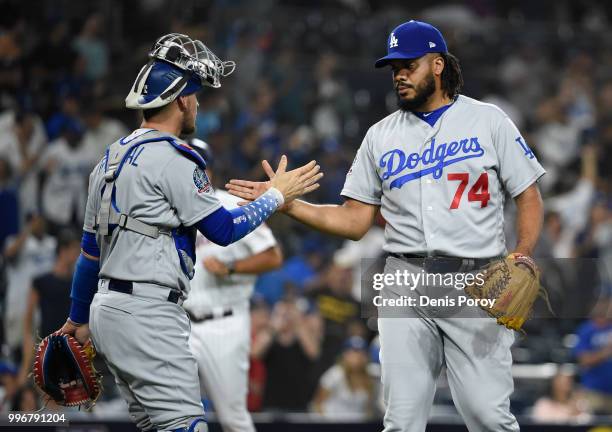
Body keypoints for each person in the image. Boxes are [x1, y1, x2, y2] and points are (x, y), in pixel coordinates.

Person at [227, 20, 545, 431]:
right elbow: (354, 220)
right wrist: (287, 205)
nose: (398, 75)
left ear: (437, 65)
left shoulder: (489, 121)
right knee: (400, 420)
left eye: (407, 65)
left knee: (488, 417)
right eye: (393, 67)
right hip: (405, 279)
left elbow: (529, 195)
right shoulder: (380, 136)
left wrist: (522, 254)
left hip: (477, 281)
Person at [55, 33, 322, 432]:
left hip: (106, 312)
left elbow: (89, 254)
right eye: (195, 97)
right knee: (187, 425)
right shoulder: (176, 158)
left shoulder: (109, 158)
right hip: (148, 313)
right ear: (181, 99)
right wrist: (276, 197)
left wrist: (77, 317)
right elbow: (224, 230)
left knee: (155, 426)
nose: (197, 105)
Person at [183, 139, 283, 432]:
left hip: (224, 324)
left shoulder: (229, 204)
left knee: (233, 419)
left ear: (209, 170)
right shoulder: (166, 211)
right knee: (174, 418)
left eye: (196, 167)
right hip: (178, 324)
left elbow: (273, 256)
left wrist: (231, 267)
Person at [18, 229, 80, 386]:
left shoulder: (77, 283)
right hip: (47, 348)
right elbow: (28, 318)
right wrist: (29, 346)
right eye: (75, 249)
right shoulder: (41, 282)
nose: (78, 254)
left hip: (71, 349)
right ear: (63, 250)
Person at [311, 336, 379, 421]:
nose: (357, 357)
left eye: (361, 352)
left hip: (358, 426)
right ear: (344, 355)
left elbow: (368, 409)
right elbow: (317, 405)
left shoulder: (370, 377)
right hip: (334, 425)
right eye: (352, 352)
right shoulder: (334, 375)